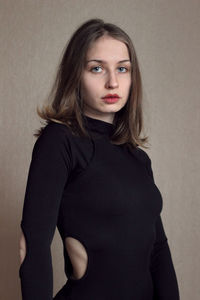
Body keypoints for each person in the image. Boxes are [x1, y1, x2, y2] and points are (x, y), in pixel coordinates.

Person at [19, 18, 180, 300]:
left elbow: (158, 250)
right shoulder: (60, 141)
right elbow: (33, 246)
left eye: (122, 68)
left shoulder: (138, 158)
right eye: (96, 68)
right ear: (75, 75)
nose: (112, 82)